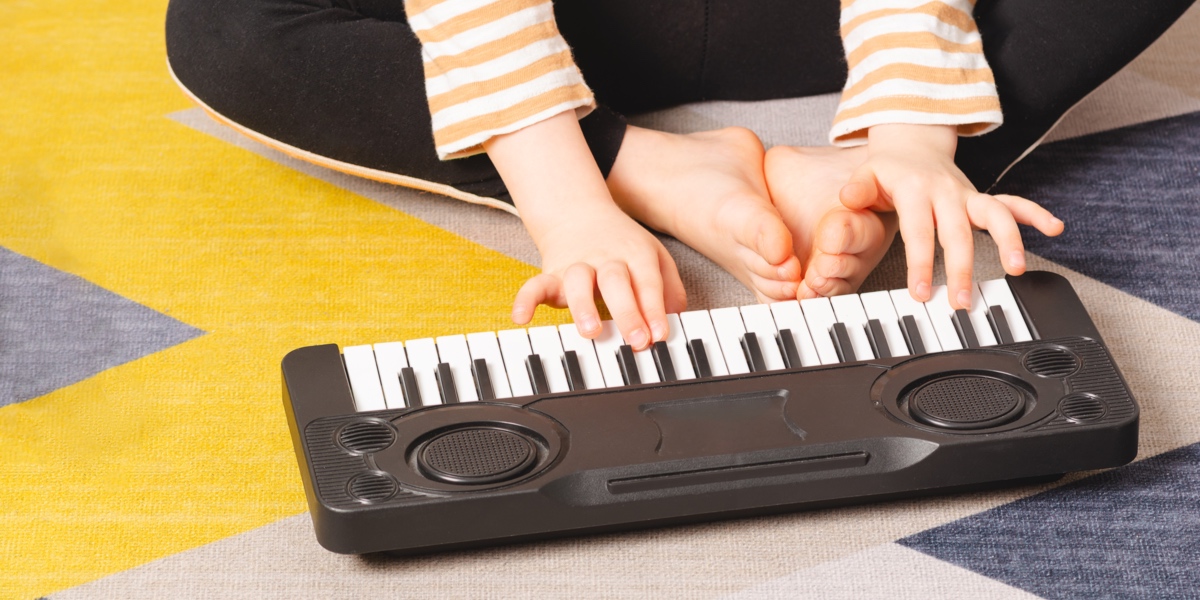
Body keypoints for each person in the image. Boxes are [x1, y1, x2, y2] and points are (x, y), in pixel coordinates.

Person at [165, 0, 1194, 350]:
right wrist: (573, 200)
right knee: (230, 24)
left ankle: (869, 179)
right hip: (575, 28)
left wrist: (914, 134)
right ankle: (654, 168)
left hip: (810, 21)